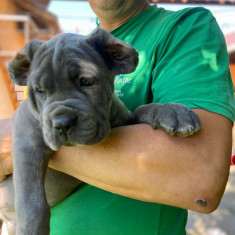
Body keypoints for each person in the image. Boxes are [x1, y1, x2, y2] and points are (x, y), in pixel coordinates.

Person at [0, 0, 234, 234]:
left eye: (85, 82)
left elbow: (201, 182)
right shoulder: (72, 50)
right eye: (42, 90)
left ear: (117, 58)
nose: (61, 118)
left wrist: (22, 143)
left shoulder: (183, 28)